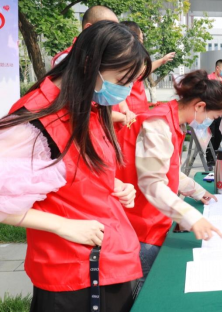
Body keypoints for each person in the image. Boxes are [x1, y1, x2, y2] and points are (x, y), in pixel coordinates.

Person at [0, 21, 151, 311]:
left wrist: (115, 186)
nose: (125, 91)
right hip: (75, 273)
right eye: (121, 80)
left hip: (109, 259)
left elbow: (80, 170)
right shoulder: (37, 121)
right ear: (88, 65)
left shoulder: (88, 103)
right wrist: (62, 225)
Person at [117, 70, 222, 292]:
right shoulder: (158, 125)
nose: (210, 123)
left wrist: (197, 191)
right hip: (140, 224)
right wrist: (190, 217)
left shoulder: (172, 120)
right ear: (199, 106)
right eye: (213, 117)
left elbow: (169, 170)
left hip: (152, 218)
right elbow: (152, 183)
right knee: (147, 292)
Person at [50, 6, 138, 128]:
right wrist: (121, 117)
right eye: (109, 28)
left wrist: (125, 110)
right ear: (89, 29)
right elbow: (77, 107)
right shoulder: (67, 60)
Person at [118, 21, 176, 115]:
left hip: (135, 107)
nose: (142, 39)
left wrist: (162, 60)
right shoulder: (132, 55)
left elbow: (142, 71)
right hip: (132, 109)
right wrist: (162, 61)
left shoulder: (129, 54)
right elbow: (142, 71)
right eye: (141, 36)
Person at [206, 59, 222, 165]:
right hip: (210, 112)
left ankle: (214, 154)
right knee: (211, 134)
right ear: (217, 68)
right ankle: (209, 158)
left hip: (221, 112)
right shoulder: (208, 80)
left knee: (219, 135)